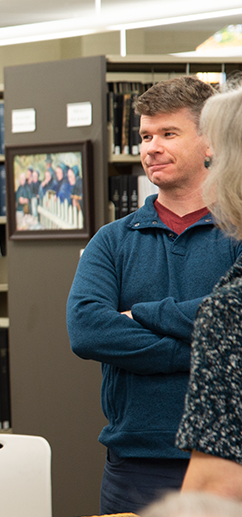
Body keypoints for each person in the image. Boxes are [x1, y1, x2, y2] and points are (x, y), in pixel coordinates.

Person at [67, 76, 242, 514]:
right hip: (134, 465)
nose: (151, 147)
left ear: (210, 143)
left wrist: (139, 315)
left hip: (228, 461)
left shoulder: (237, 234)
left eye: (168, 134)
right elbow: (87, 330)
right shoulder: (112, 240)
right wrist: (209, 346)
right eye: (146, 136)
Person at [176, 86, 242, 502]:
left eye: (214, 159)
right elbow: (88, 331)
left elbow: (215, 489)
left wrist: (141, 315)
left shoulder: (229, 311)